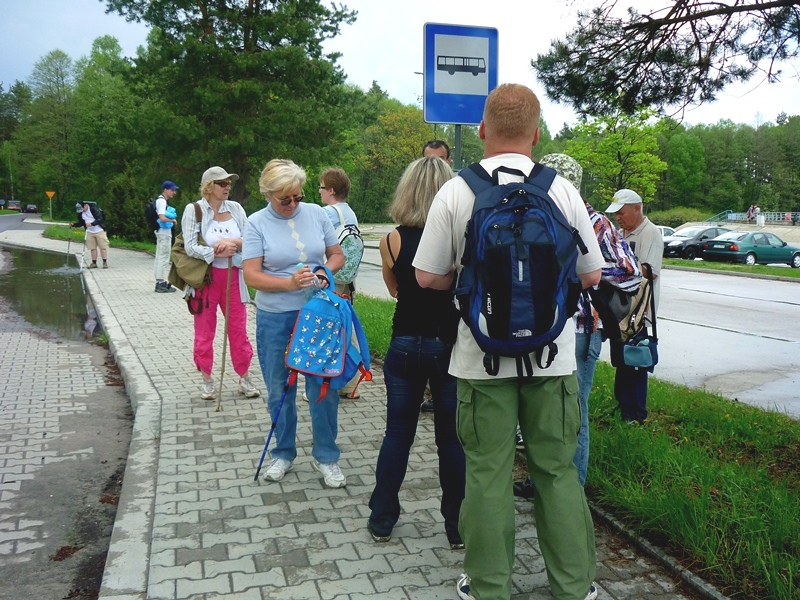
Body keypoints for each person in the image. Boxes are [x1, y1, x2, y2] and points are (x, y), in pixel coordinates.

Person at [414, 84, 603, 600]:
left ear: (481, 130)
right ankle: (573, 586)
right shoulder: (561, 190)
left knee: (487, 473)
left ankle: (489, 586)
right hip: (553, 358)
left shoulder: (457, 191)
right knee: (556, 472)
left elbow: (426, 277)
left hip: (481, 359)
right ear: (536, 134)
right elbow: (591, 275)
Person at [367, 156, 465, 549]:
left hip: (404, 342)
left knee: (397, 434)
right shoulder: (458, 237)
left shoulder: (390, 240)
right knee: (451, 441)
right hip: (448, 344)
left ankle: (382, 518)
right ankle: (456, 526)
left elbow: (395, 290)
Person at [242, 159, 347, 488]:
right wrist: (287, 283)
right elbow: (251, 275)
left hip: (317, 313)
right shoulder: (256, 223)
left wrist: (324, 271)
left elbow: (337, 254)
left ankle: (326, 456)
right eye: (284, 199)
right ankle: (283, 453)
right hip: (275, 316)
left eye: (297, 197)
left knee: (322, 386)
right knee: (279, 389)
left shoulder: (316, 213)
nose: (292, 204)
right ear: (267, 194)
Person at [541, 153, 641, 486]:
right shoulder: (542, 216)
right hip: (547, 329)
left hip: (583, 328)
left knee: (574, 412)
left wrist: (581, 272)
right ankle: (547, 484)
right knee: (548, 411)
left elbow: (630, 273)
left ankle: (574, 490)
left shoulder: (596, 222)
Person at [181, 166, 260, 401]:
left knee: (239, 330)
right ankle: (207, 380)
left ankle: (244, 377)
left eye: (229, 183)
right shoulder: (194, 210)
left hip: (234, 277)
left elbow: (250, 239)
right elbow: (189, 246)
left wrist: (233, 243)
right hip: (206, 279)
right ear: (209, 186)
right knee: (205, 332)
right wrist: (215, 252)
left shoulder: (235, 208)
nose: (227, 187)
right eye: (222, 183)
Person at [604, 189, 662, 424]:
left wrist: (620, 269)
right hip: (621, 310)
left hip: (639, 311)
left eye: (622, 213)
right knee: (621, 360)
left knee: (636, 362)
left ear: (637, 208)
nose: (618, 218)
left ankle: (636, 414)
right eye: (616, 214)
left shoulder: (650, 233)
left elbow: (650, 272)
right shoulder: (620, 233)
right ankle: (623, 406)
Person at [318, 167, 362, 400]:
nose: (320, 191)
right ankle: (350, 383)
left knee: (326, 330)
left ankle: (324, 382)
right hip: (347, 280)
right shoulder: (349, 213)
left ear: (332, 190)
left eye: (322, 187)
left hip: (330, 278)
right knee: (347, 328)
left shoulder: (327, 213)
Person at [418, 140, 453, 414]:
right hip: (418, 324)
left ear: (449, 163)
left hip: (447, 322)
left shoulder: (455, 203)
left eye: (439, 160)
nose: (433, 167)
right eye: (427, 160)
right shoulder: (410, 227)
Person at [154, 181, 179, 293]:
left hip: (161, 232)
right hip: (164, 233)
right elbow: (162, 218)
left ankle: (159, 281)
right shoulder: (162, 201)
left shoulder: (160, 200)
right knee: (163, 257)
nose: (174, 192)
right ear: (165, 190)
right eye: (172, 190)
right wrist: (173, 220)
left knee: (160, 256)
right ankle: (160, 283)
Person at [73, 202, 109, 269]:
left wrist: (92, 224)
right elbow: (81, 222)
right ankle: (94, 263)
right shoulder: (81, 213)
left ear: (85, 205)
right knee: (92, 248)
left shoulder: (93, 208)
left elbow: (100, 218)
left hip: (99, 230)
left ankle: (104, 262)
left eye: (82, 209)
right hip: (89, 231)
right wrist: (74, 225)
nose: (82, 211)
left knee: (103, 247)